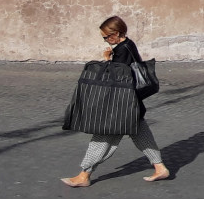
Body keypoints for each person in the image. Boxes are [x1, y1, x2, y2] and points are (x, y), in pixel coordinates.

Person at [61, 16, 169, 187]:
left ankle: (84, 175)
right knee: (140, 133)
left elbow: (116, 77)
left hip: (121, 105)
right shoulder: (128, 44)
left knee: (103, 136)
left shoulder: (122, 50)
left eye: (106, 37)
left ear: (116, 33)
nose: (105, 40)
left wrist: (107, 60)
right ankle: (160, 167)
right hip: (131, 104)